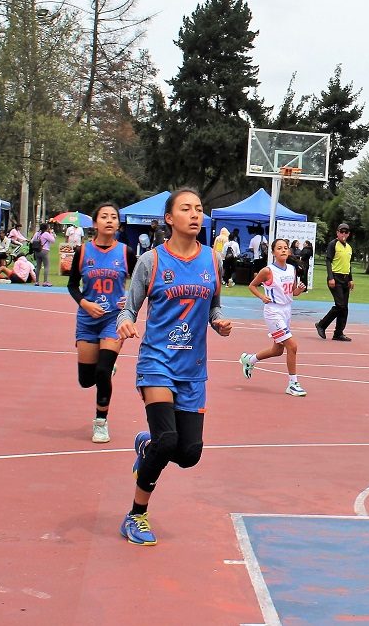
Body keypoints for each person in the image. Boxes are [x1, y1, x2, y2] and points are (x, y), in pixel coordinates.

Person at [116, 188, 232, 546]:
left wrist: (220, 321)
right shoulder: (151, 261)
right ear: (169, 218)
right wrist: (124, 322)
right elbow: (129, 307)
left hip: (193, 369)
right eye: (186, 209)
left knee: (189, 454)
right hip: (157, 363)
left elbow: (214, 307)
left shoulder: (212, 260)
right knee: (167, 441)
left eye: (199, 209)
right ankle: (136, 514)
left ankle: (147, 446)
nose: (195, 214)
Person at [69, 203, 137, 443]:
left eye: (114, 217)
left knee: (102, 371)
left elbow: (143, 281)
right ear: (95, 223)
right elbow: (71, 285)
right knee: (86, 380)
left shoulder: (126, 253)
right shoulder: (83, 252)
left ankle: (100, 422)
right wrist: (85, 303)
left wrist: (129, 299)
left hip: (113, 319)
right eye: (104, 217)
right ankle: (105, 369)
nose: (109, 220)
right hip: (88, 320)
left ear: (118, 224)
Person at [239, 239, 307, 396]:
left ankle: (250, 359)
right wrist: (262, 297)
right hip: (273, 312)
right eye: (279, 248)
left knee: (277, 350)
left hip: (287, 311)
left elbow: (292, 293)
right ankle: (293, 384)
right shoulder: (268, 271)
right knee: (292, 346)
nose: (283, 250)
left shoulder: (292, 269)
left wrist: (298, 290)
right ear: (273, 252)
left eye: (285, 248)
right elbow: (252, 285)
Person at [315, 223, 354, 342]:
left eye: (346, 232)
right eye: (341, 231)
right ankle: (322, 324)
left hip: (345, 278)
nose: (343, 234)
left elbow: (348, 264)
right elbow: (328, 261)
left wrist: (351, 279)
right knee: (340, 305)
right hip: (335, 277)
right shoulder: (333, 244)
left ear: (348, 234)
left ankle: (338, 333)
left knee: (344, 307)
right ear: (337, 232)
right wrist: (330, 277)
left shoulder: (349, 247)